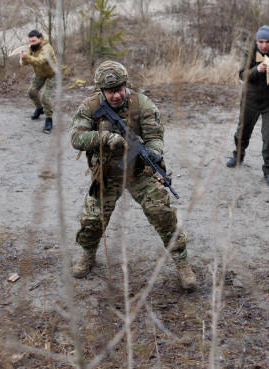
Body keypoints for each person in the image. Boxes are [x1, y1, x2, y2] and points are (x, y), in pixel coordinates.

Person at [69, 60, 196, 291]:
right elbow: (77, 138)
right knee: (92, 219)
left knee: (162, 213)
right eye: (110, 91)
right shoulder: (90, 106)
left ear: (125, 85)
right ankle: (88, 254)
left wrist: (154, 153)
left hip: (139, 170)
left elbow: (155, 135)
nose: (116, 95)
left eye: (119, 89)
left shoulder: (143, 104)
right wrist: (106, 138)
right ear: (101, 90)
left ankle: (181, 261)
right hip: (108, 172)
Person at [226, 25, 269, 187]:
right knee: (243, 130)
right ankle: (238, 156)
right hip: (250, 99)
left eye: (267, 41)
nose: (264, 45)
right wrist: (257, 69)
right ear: (257, 41)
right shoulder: (250, 53)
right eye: (261, 41)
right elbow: (242, 75)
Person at [19, 30, 57, 133]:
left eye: (34, 41)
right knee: (32, 92)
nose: (31, 43)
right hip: (39, 74)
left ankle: (49, 119)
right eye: (30, 41)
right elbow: (24, 63)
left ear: (40, 39)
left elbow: (40, 61)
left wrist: (27, 57)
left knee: (45, 97)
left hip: (51, 74)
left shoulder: (46, 48)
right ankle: (39, 109)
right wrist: (23, 58)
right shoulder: (32, 48)